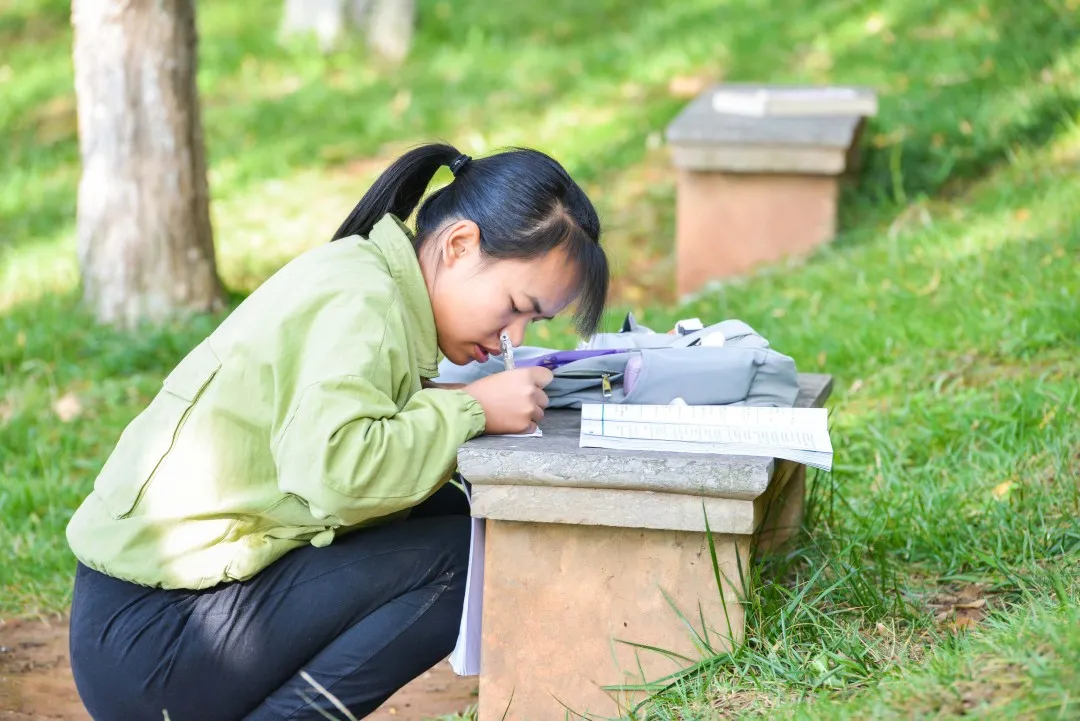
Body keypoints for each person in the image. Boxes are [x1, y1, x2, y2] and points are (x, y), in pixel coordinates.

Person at [65, 143, 610, 720]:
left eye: (534, 321)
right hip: (154, 638)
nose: (516, 339)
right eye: (515, 307)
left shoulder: (368, 278)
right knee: (459, 559)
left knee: (451, 516)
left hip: (145, 624)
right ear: (458, 246)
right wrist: (471, 408)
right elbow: (338, 474)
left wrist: (453, 402)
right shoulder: (365, 305)